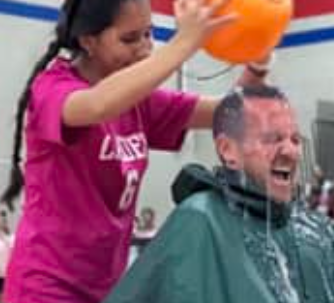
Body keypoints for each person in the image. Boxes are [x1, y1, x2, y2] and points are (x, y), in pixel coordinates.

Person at [0, 0, 270, 302]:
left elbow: (230, 113)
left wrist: (256, 66)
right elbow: (97, 105)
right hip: (47, 287)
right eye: (129, 39)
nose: (144, 49)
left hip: (109, 288)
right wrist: (182, 45)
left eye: (148, 34)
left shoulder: (140, 102)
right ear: (89, 41)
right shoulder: (52, 89)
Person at [105, 85, 334, 303]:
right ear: (227, 150)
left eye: (295, 140)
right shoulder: (200, 221)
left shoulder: (315, 228)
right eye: (273, 139)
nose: (292, 152)